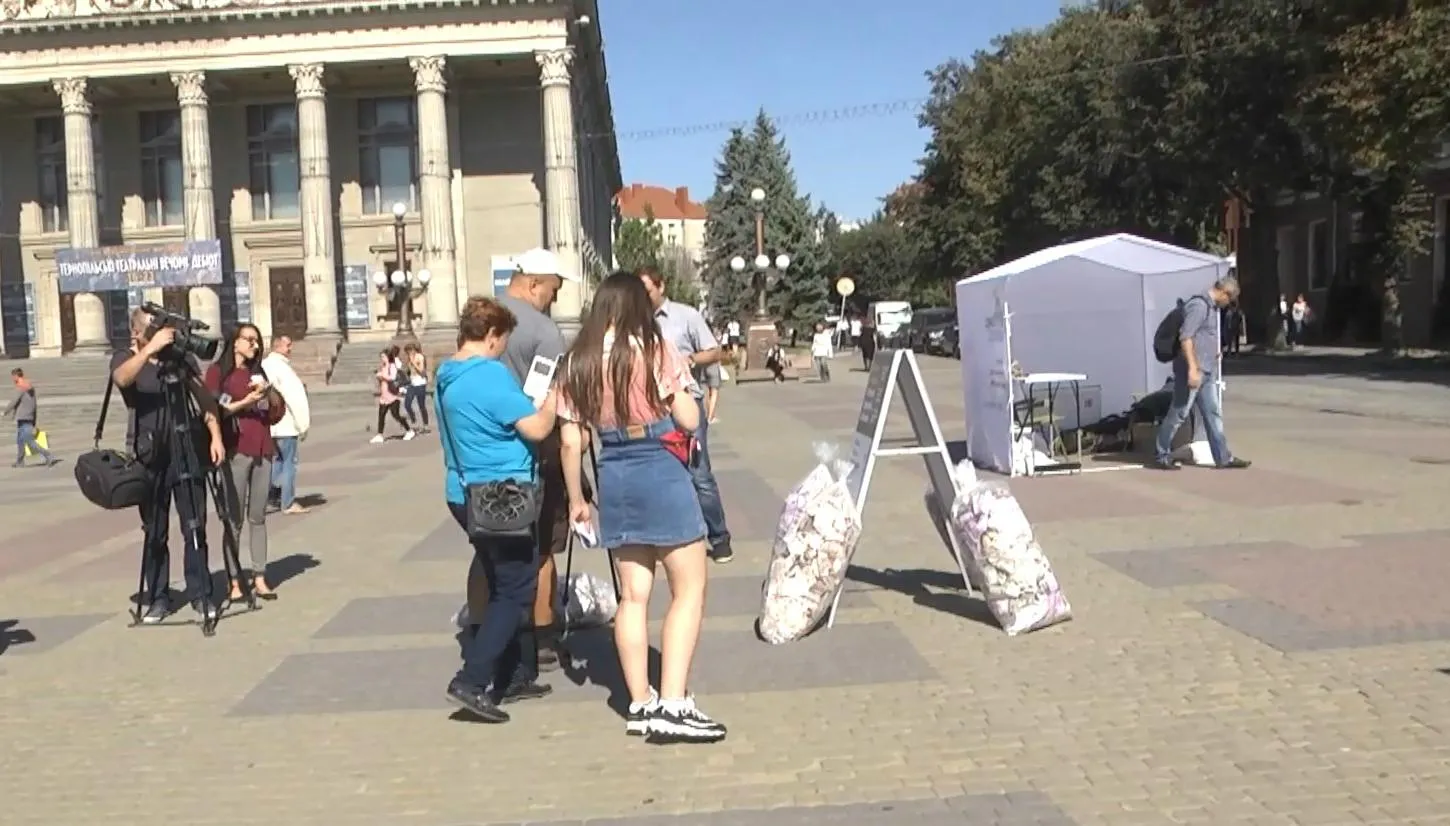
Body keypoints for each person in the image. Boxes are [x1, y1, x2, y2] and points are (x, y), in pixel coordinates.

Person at [557, 271, 726, 743]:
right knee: (688, 589)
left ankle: (640, 702)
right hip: (659, 464)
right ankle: (674, 702)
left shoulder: (577, 361)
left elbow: (571, 441)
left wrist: (577, 500)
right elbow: (688, 419)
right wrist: (689, 400)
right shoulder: (652, 349)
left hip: (613, 472)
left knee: (632, 596)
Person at [436, 296, 559, 723]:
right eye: (502, 342)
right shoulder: (488, 375)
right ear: (490, 336)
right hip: (502, 494)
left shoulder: (448, 374)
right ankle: (472, 681)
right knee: (515, 589)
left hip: (464, 490)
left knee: (497, 578)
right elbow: (538, 428)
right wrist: (553, 399)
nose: (503, 350)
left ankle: (512, 673)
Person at [485, 246, 578, 671]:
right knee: (541, 549)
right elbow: (543, 397)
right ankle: (542, 638)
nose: (554, 300)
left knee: (487, 548)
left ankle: (485, 633)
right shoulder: (543, 332)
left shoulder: (481, 318)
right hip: (534, 452)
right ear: (534, 283)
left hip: (483, 452)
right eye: (553, 291)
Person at [110, 308, 227, 624]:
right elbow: (121, 378)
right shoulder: (126, 356)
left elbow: (204, 399)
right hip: (149, 454)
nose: (160, 330)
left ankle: (201, 594)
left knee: (194, 526)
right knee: (155, 532)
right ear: (137, 332)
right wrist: (149, 350)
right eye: (152, 327)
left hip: (186, 449)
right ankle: (159, 598)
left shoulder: (177, 358)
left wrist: (215, 436)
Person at [638, 266, 735, 564]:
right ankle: (665, 539)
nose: (643, 296)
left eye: (648, 290)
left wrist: (688, 358)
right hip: (650, 408)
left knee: (698, 472)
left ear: (661, 287)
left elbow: (713, 351)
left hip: (686, 403)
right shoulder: (633, 321)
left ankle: (719, 539)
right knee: (656, 474)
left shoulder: (686, 316)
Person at [205, 323, 287, 601]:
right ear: (235, 342)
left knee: (259, 517)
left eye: (256, 341)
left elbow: (276, 409)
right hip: (236, 450)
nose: (253, 345)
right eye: (248, 340)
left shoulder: (258, 373)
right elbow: (213, 409)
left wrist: (269, 392)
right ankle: (235, 581)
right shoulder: (219, 373)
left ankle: (260, 577)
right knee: (234, 519)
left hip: (263, 449)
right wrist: (246, 401)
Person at [1150, 276, 1252, 472]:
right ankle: (1161, 453)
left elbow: (1203, 336)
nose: (1227, 305)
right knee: (1179, 412)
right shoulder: (1199, 306)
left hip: (1207, 370)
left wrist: (1214, 351)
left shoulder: (1212, 308)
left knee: (1213, 414)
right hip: (1194, 371)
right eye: (1229, 300)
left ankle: (1223, 457)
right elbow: (1186, 338)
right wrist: (1192, 368)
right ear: (1224, 293)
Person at [261, 335, 312, 514]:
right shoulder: (282, 368)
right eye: (287, 345)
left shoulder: (265, 365)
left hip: (271, 424)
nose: (290, 349)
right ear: (278, 346)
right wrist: (303, 423)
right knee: (289, 462)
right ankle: (288, 502)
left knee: (277, 461)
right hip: (286, 423)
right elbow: (293, 397)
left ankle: (270, 497)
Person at [4, 368, 58, 468]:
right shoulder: (29, 387)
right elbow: (33, 405)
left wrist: (5, 412)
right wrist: (34, 419)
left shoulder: (21, 388)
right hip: (28, 417)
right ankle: (19, 462)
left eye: (13, 377)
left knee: (29, 441)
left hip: (24, 417)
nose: (12, 379)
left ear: (16, 376)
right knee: (20, 441)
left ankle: (49, 456)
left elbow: (14, 402)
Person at [372, 350, 414, 443]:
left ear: (388, 357)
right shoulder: (383, 367)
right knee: (381, 415)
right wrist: (379, 377)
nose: (382, 359)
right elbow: (383, 380)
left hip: (393, 395)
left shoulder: (392, 366)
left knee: (396, 415)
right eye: (381, 357)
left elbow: (393, 377)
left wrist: (382, 375)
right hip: (384, 395)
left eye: (383, 357)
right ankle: (380, 435)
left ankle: (409, 430)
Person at [401, 343, 431, 433]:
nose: (408, 353)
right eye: (407, 352)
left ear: (413, 350)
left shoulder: (419, 357)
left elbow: (421, 371)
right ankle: (413, 419)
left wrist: (413, 363)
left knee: (421, 405)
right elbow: (408, 372)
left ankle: (426, 425)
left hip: (420, 383)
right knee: (407, 403)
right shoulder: (409, 359)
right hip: (412, 383)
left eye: (409, 351)